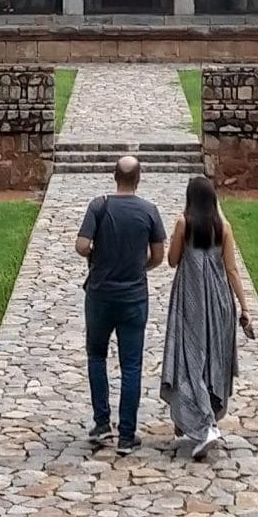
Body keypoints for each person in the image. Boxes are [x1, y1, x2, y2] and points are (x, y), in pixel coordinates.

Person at [75, 153, 165, 455]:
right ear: (138, 179)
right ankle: (127, 433)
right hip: (134, 296)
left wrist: (98, 257)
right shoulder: (149, 211)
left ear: (115, 176)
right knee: (132, 365)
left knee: (97, 356)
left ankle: (102, 422)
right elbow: (158, 256)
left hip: (100, 294)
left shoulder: (98, 206)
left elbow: (81, 246)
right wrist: (139, 267)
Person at [160, 175, 255, 460]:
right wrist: (245, 307)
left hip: (191, 299)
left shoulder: (183, 224)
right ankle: (202, 418)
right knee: (212, 360)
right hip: (219, 302)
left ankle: (203, 426)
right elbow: (232, 270)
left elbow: (173, 260)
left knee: (189, 360)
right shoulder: (223, 227)